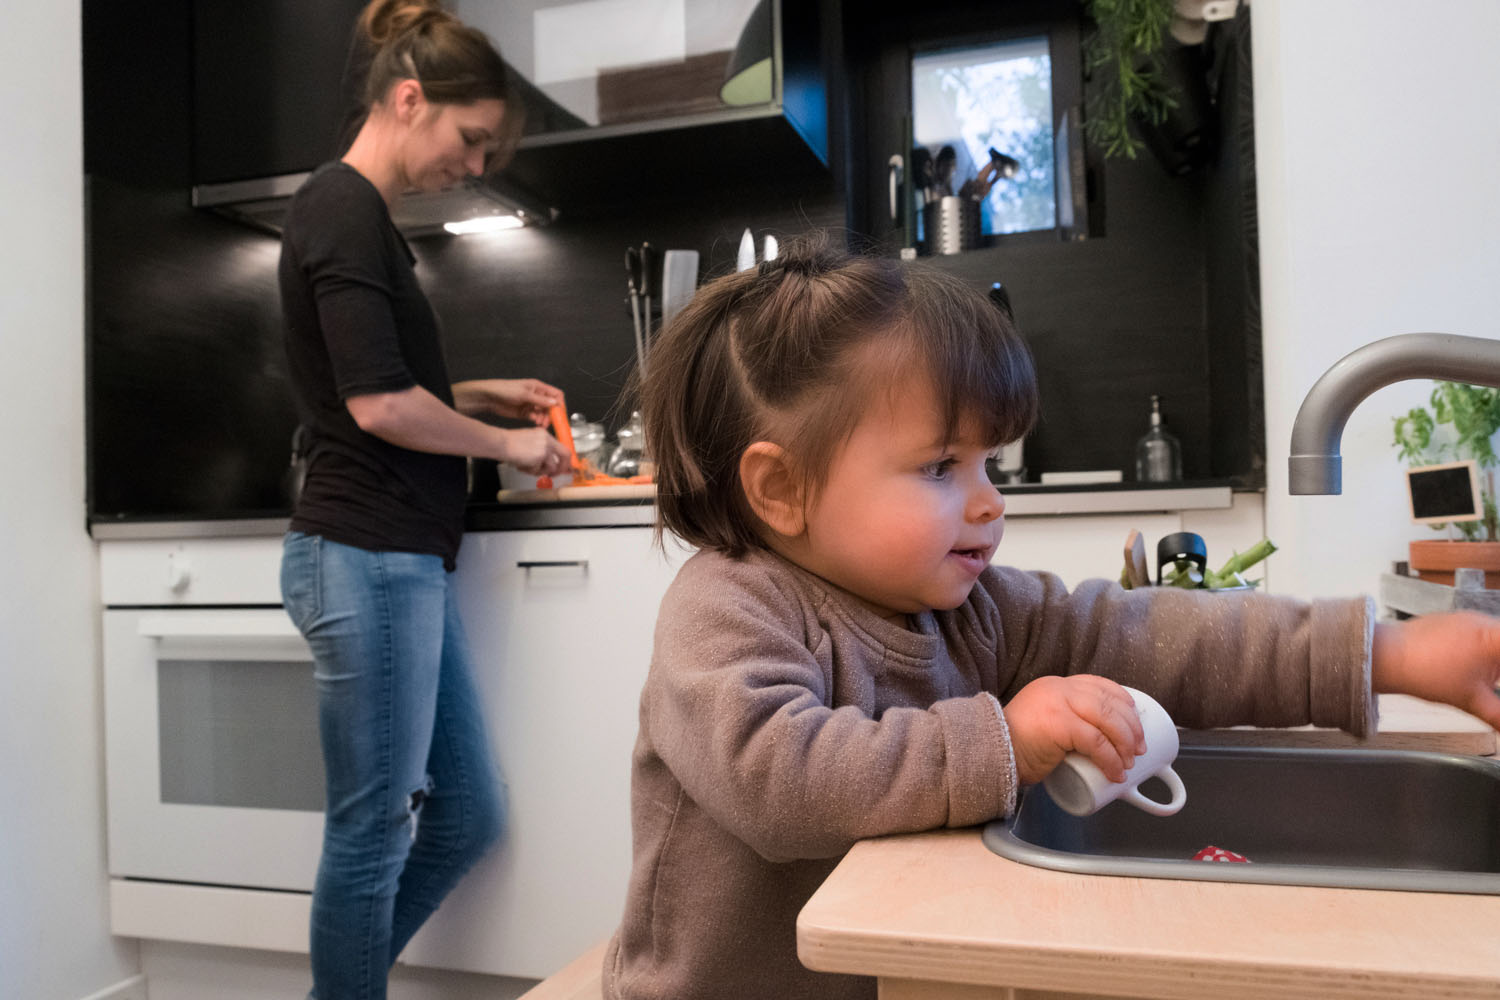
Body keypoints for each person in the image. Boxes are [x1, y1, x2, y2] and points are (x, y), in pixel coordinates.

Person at [601, 238, 1500, 1000]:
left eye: (991, 465)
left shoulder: (974, 608)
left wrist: (1390, 653)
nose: (991, 503)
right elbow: (779, 781)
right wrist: (1002, 742)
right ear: (780, 488)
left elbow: (1155, 634)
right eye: (941, 468)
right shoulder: (725, 609)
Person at [276, 1, 572, 997]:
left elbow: (383, 386)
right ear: (411, 100)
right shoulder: (339, 207)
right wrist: (504, 441)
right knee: (370, 835)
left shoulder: (364, 222)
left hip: (398, 559)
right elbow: (378, 404)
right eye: (472, 137)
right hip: (365, 556)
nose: (477, 163)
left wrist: (484, 393)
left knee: (467, 812)